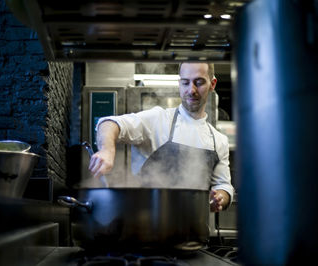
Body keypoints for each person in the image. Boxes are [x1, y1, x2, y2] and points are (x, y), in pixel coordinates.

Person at [89, 62, 234, 212]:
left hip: (193, 228)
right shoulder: (158, 119)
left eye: (199, 82)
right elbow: (109, 123)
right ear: (179, 84)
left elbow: (223, 186)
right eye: (185, 82)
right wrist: (107, 150)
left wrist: (219, 198)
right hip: (146, 223)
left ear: (212, 84)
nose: (191, 90)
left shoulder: (218, 141)